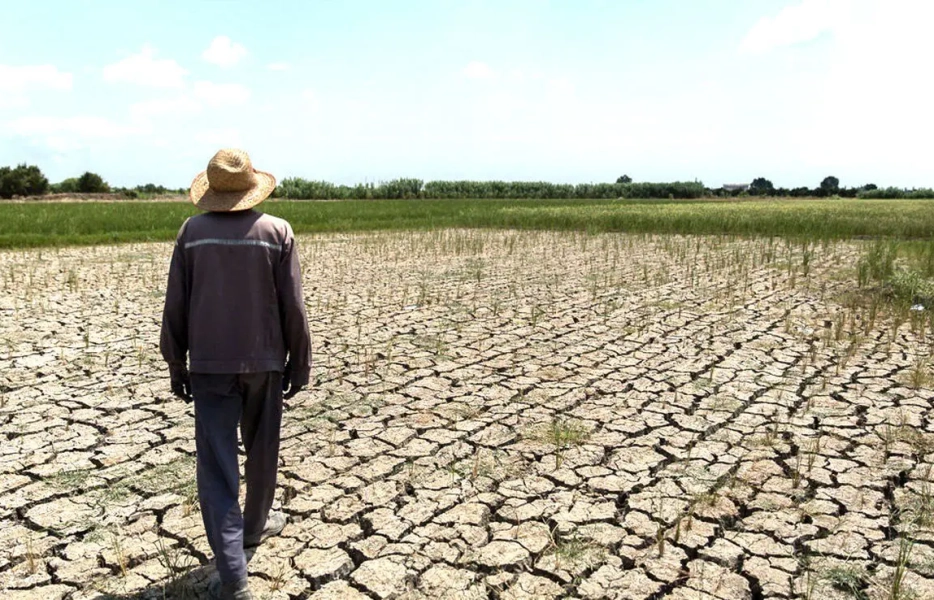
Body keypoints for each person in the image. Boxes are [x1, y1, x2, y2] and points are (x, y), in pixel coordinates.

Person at [160, 148, 312, 600]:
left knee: (219, 471)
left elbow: (176, 304)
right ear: (251, 188)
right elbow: (294, 307)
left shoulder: (192, 234)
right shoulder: (276, 231)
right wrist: (299, 361)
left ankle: (234, 576)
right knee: (263, 451)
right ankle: (252, 531)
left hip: (208, 367)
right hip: (264, 363)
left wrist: (176, 361)